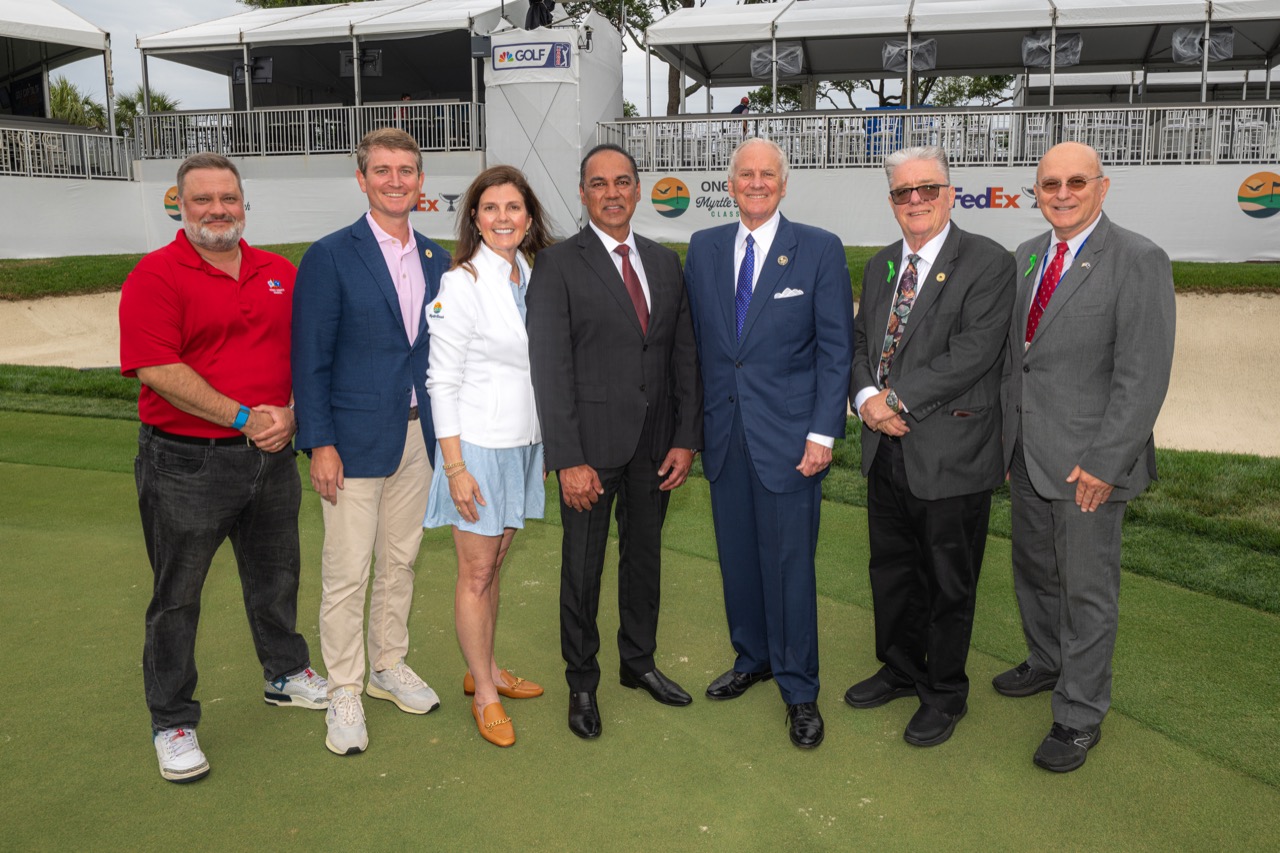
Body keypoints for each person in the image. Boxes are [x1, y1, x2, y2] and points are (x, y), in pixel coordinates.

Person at [120, 152, 328, 784]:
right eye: (203, 199)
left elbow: (308, 354)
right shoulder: (156, 275)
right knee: (177, 597)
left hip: (271, 458)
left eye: (228, 198)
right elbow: (157, 367)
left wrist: (292, 413)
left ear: (244, 204)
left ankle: (284, 673)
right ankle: (172, 721)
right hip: (186, 462)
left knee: (277, 575)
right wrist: (243, 417)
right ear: (180, 206)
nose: (218, 210)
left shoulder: (278, 272)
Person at [999, 141, 1175, 772]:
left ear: (1103, 187)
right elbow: (1018, 361)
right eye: (1050, 184)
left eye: (1077, 181)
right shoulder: (1026, 256)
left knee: (1086, 592)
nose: (1063, 193)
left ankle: (1079, 714)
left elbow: (1142, 375)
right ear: (1037, 192)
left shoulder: (1138, 258)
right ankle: (1047, 661)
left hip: (1088, 466)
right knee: (1035, 572)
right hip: (1026, 455)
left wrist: (1106, 461)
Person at [526, 143, 703, 740]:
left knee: (645, 560)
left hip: (656, 447)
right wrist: (567, 458)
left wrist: (685, 437)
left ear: (637, 189)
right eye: (598, 183)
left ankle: (639, 663)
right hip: (589, 449)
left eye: (622, 181)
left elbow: (682, 355)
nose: (612, 193)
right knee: (583, 568)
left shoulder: (664, 261)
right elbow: (550, 368)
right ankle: (582, 681)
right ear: (583, 193)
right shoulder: (557, 265)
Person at [683, 137, 854, 749]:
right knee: (737, 559)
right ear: (730, 184)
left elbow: (836, 350)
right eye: (745, 174)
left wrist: (822, 432)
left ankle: (799, 689)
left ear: (783, 184)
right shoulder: (703, 248)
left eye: (767, 175)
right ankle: (752, 657)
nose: (756, 183)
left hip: (791, 441)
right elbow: (696, 346)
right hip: (724, 438)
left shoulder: (819, 248)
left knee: (789, 569)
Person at [845, 146, 1015, 747]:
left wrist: (892, 401)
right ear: (891, 200)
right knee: (892, 569)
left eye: (927, 189)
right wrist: (866, 396)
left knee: (948, 579)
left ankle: (943, 691)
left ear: (950, 193)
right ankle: (899, 667)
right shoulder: (880, 265)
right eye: (902, 192)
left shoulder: (989, 262)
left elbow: (973, 353)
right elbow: (861, 343)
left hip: (951, 449)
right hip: (885, 448)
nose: (914, 200)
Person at [292, 128, 450, 756]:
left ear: (420, 181)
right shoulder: (330, 255)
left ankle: (387, 663)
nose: (394, 181)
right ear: (362, 179)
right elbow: (310, 359)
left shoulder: (438, 259)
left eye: (406, 170)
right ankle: (344, 688)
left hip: (417, 436)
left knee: (400, 561)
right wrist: (320, 442)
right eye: (382, 170)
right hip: (351, 441)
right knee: (347, 572)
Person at [423, 165, 555, 748]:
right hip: (476, 449)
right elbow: (440, 381)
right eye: (491, 208)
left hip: (523, 445)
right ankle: (485, 695)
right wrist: (455, 468)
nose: (503, 218)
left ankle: (487, 669)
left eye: (514, 208)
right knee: (477, 573)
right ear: (474, 218)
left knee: (495, 564)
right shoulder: (461, 284)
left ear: (529, 218)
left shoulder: (531, 273)